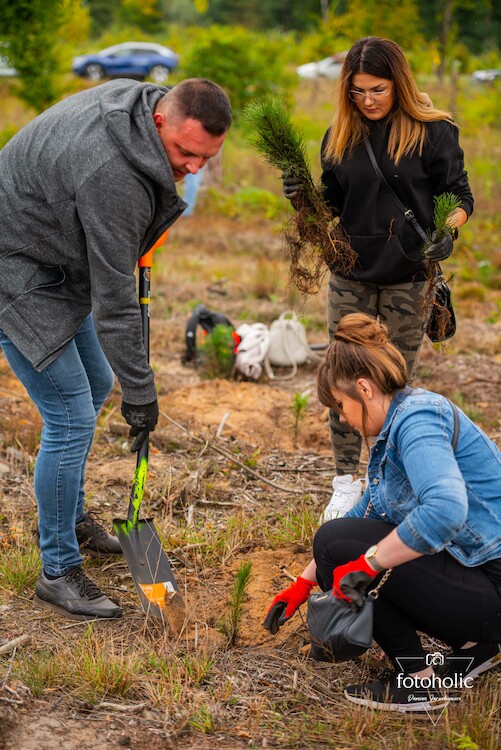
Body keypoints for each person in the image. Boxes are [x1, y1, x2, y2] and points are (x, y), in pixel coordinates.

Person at [0, 77, 232, 620]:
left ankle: (71, 516)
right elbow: (114, 300)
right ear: (158, 123)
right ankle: (57, 569)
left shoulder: (147, 103)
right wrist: (143, 393)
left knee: (97, 382)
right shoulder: (114, 177)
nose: (194, 168)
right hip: (16, 269)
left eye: (207, 157)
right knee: (72, 415)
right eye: (185, 153)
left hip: (51, 253)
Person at [264, 313, 501, 712]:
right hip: (480, 583)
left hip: (493, 584)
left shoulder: (419, 420)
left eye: (340, 405)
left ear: (363, 388)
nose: (341, 416)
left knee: (337, 547)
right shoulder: (395, 426)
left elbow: (445, 510)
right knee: (334, 546)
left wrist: (367, 565)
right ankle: (478, 649)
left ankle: (420, 682)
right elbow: (366, 513)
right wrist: (303, 584)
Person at [283, 36, 474, 522]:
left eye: (378, 90)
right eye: (358, 91)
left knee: (392, 379)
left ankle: (388, 479)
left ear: (399, 84)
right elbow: (332, 204)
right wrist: (301, 196)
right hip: (351, 271)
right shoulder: (339, 137)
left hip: (409, 275)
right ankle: (346, 482)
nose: (367, 100)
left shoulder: (433, 134)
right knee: (342, 371)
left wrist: (446, 232)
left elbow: (460, 197)